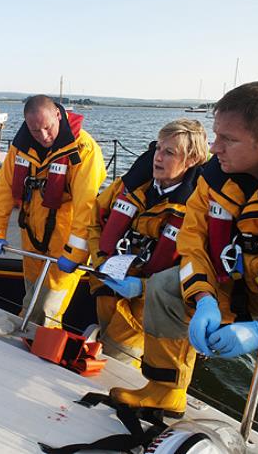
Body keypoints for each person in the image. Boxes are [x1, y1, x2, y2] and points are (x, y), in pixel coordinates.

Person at [109, 81, 258, 453]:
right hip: (242, 287)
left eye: (228, 139)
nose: (213, 147)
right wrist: (205, 298)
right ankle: (165, 390)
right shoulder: (215, 178)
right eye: (215, 134)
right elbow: (191, 242)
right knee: (164, 285)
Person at [87, 119, 208, 365]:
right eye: (157, 148)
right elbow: (94, 222)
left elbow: (197, 265)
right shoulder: (128, 186)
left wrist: (143, 287)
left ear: (192, 159)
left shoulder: (199, 209)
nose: (158, 157)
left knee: (116, 359)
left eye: (169, 152)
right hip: (108, 287)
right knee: (105, 354)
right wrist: (101, 260)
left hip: (146, 304)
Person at [0, 95, 106, 327]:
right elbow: (3, 191)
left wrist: (75, 253)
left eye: (47, 128)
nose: (43, 136)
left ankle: (43, 349)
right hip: (31, 235)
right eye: (35, 130)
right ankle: (25, 344)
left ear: (58, 115)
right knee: (30, 299)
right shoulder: (21, 148)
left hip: (65, 239)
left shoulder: (83, 149)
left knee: (49, 307)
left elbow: (86, 206)